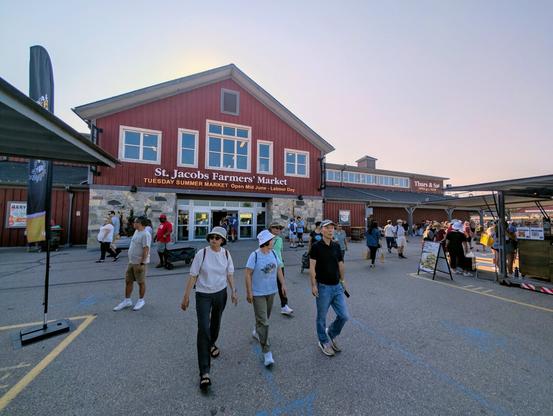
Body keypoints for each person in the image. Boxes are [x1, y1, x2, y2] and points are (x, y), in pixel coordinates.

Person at [180, 226, 237, 391]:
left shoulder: (226, 254)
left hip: (220, 293)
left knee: (215, 323)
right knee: (203, 328)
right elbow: (193, 275)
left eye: (218, 238)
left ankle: (211, 344)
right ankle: (204, 372)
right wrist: (186, 297)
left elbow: (230, 273)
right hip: (203, 295)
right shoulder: (202, 253)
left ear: (223, 241)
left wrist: (234, 291)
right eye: (212, 237)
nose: (214, 240)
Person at [245, 230, 287, 367]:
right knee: (264, 322)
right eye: (272, 240)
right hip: (258, 293)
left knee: (264, 318)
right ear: (266, 242)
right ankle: (267, 351)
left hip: (272, 291)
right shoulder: (254, 256)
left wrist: (283, 285)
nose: (274, 241)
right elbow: (247, 274)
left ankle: (257, 331)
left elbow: (279, 269)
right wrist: (249, 292)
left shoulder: (274, 253)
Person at [309, 219, 350, 357]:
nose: (331, 230)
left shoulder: (336, 246)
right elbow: (312, 267)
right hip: (323, 287)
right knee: (321, 317)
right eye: (327, 228)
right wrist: (313, 285)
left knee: (344, 316)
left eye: (332, 227)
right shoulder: (316, 246)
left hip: (337, 287)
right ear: (322, 230)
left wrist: (343, 280)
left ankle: (331, 333)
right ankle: (323, 341)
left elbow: (341, 264)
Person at [113, 216, 151, 311]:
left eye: (135, 222)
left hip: (139, 263)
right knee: (128, 281)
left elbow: (146, 250)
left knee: (141, 282)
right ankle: (127, 300)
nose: (133, 223)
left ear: (140, 223)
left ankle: (141, 300)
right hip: (131, 262)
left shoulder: (145, 234)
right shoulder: (137, 231)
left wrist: (141, 263)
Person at [269, 222, 293, 315]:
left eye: (280, 229)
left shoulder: (279, 239)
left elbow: (279, 251)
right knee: (269, 285)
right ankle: (265, 303)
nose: (279, 230)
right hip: (270, 266)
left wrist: (281, 260)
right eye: (277, 228)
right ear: (271, 228)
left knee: (282, 285)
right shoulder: (266, 239)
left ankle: (284, 305)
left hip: (280, 266)